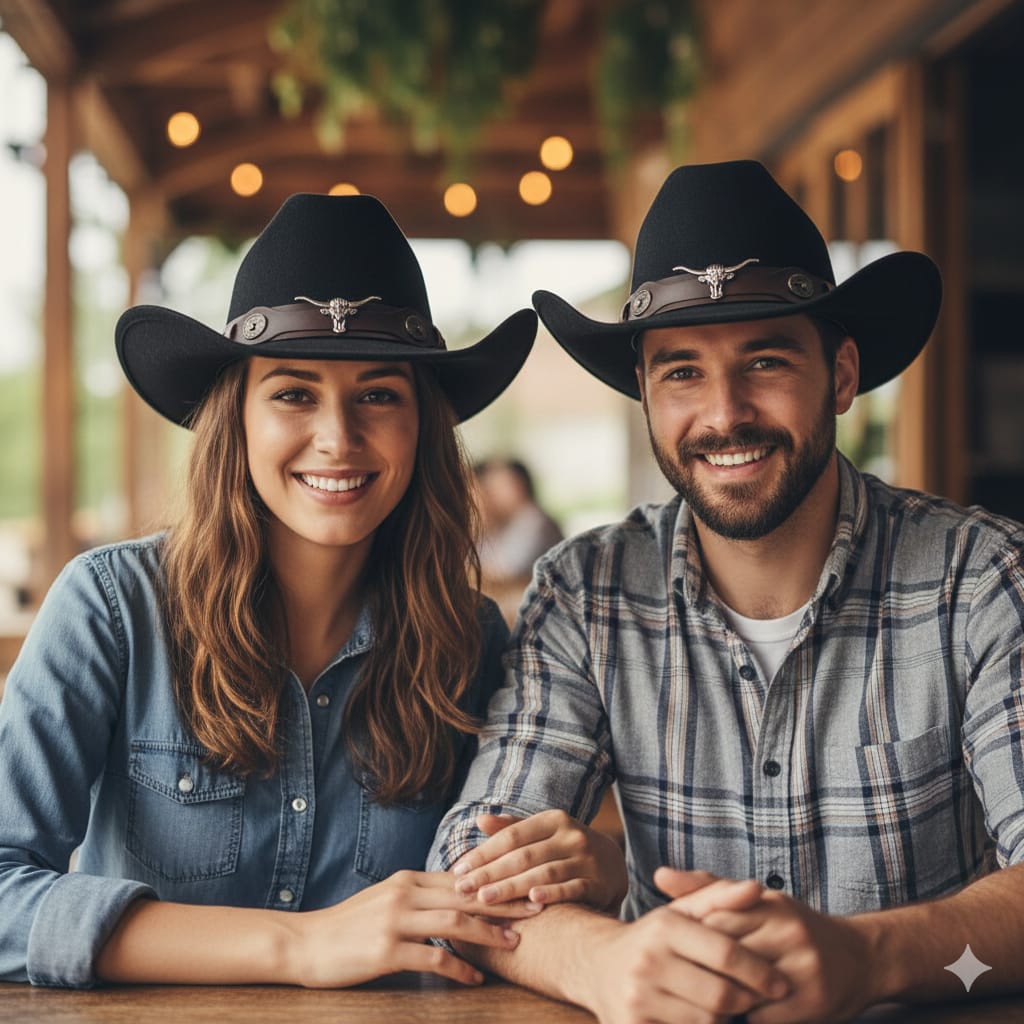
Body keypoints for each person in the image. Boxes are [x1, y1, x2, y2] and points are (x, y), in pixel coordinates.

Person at [429, 159, 1024, 1022]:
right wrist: (600, 959)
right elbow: (472, 865)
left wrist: (870, 956)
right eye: (681, 372)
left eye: (766, 360)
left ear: (843, 373)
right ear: (644, 391)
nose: (724, 413)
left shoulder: (982, 580)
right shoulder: (587, 593)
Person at [0, 193, 626, 989]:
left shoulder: (469, 639)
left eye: (378, 395)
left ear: (421, 427)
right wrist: (300, 946)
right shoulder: (110, 608)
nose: (338, 436)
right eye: (294, 393)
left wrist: (596, 866)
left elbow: (485, 910)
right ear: (239, 419)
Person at [473, 457, 563, 624]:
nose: (491, 493)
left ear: (517, 486)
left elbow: (502, 571)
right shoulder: (511, 523)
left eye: (497, 486)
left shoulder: (535, 521)